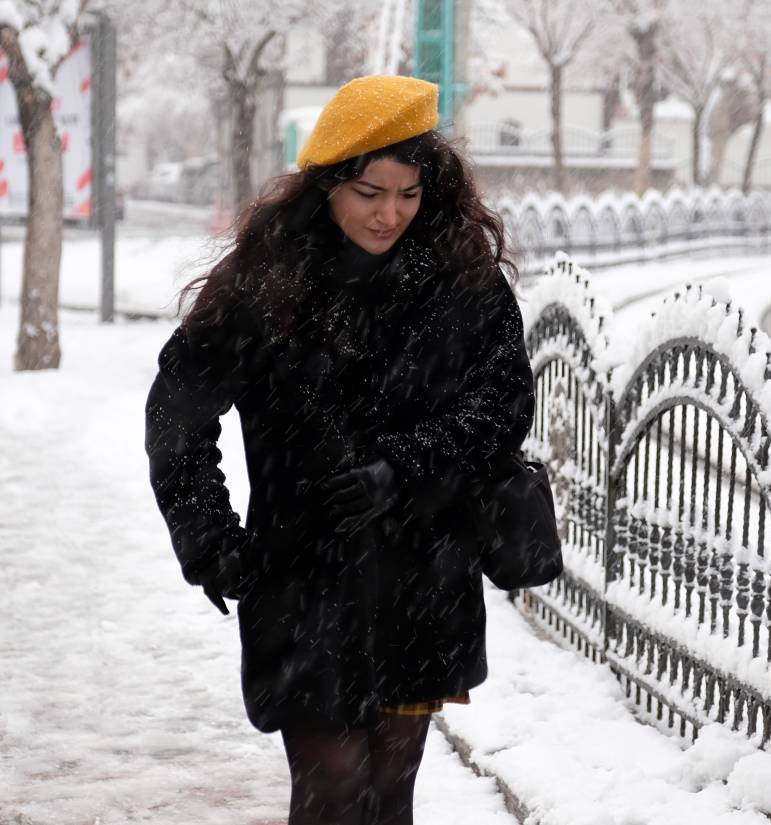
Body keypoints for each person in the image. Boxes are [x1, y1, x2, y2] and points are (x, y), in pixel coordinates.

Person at [144, 75, 535, 825]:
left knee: (389, 790)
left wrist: (407, 465)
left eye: (409, 193)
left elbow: (504, 406)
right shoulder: (265, 284)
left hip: (422, 574)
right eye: (369, 191)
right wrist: (211, 540)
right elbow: (177, 415)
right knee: (331, 783)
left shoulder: (463, 283)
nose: (390, 213)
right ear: (325, 185)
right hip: (302, 576)